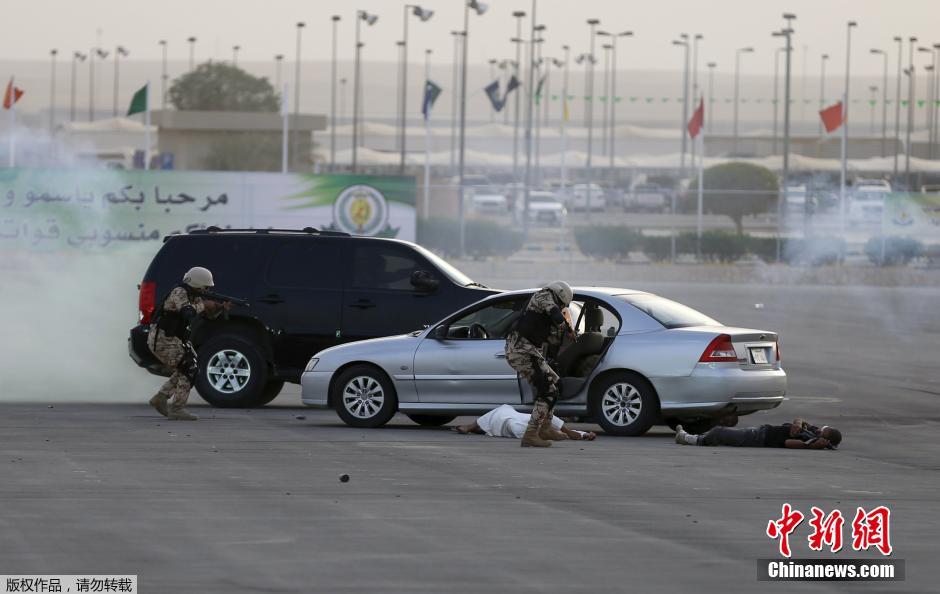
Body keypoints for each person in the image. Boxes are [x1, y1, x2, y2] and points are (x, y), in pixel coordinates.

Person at [147, 267, 229, 421]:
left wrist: (220, 308)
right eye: (205, 287)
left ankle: (161, 397)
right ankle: (176, 408)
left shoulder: (194, 296)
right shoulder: (180, 292)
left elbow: (209, 317)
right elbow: (188, 312)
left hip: (174, 339)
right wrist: (205, 305)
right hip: (162, 340)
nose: (207, 290)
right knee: (189, 368)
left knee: (189, 367)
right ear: (198, 284)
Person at [505, 280, 577, 448]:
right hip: (521, 351)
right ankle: (530, 434)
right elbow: (555, 313)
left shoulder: (545, 312)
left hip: (530, 352)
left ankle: (546, 427)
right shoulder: (543, 295)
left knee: (556, 384)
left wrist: (566, 335)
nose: (560, 307)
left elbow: (551, 338)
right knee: (547, 391)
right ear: (558, 295)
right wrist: (565, 326)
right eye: (561, 304)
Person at [674, 417, 842, 449]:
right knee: (726, 434)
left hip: (761, 438)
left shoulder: (811, 441)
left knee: (721, 432)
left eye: (823, 431)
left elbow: (787, 443)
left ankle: (688, 439)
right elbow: (800, 419)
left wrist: (811, 446)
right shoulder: (812, 432)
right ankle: (691, 438)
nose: (820, 429)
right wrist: (797, 424)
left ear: (825, 439)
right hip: (763, 430)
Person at [453, 404, 597, 441]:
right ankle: (573, 434)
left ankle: (470, 427)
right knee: (510, 420)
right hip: (509, 422)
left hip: (509, 419)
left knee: (505, 413)